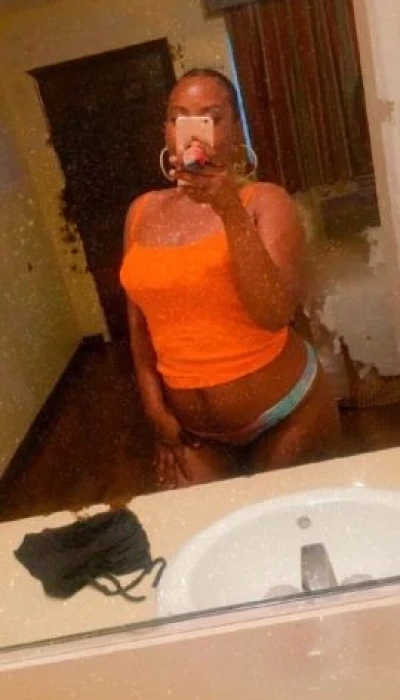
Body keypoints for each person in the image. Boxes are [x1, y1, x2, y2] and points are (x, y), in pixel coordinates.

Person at [120, 68, 341, 489]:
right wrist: (154, 408)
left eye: (210, 117)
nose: (191, 131)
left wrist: (228, 208)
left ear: (236, 129)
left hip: (287, 413)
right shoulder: (140, 212)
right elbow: (139, 325)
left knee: (284, 521)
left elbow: (275, 313)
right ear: (166, 130)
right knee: (210, 525)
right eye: (177, 117)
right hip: (191, 431)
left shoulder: (264, 201)